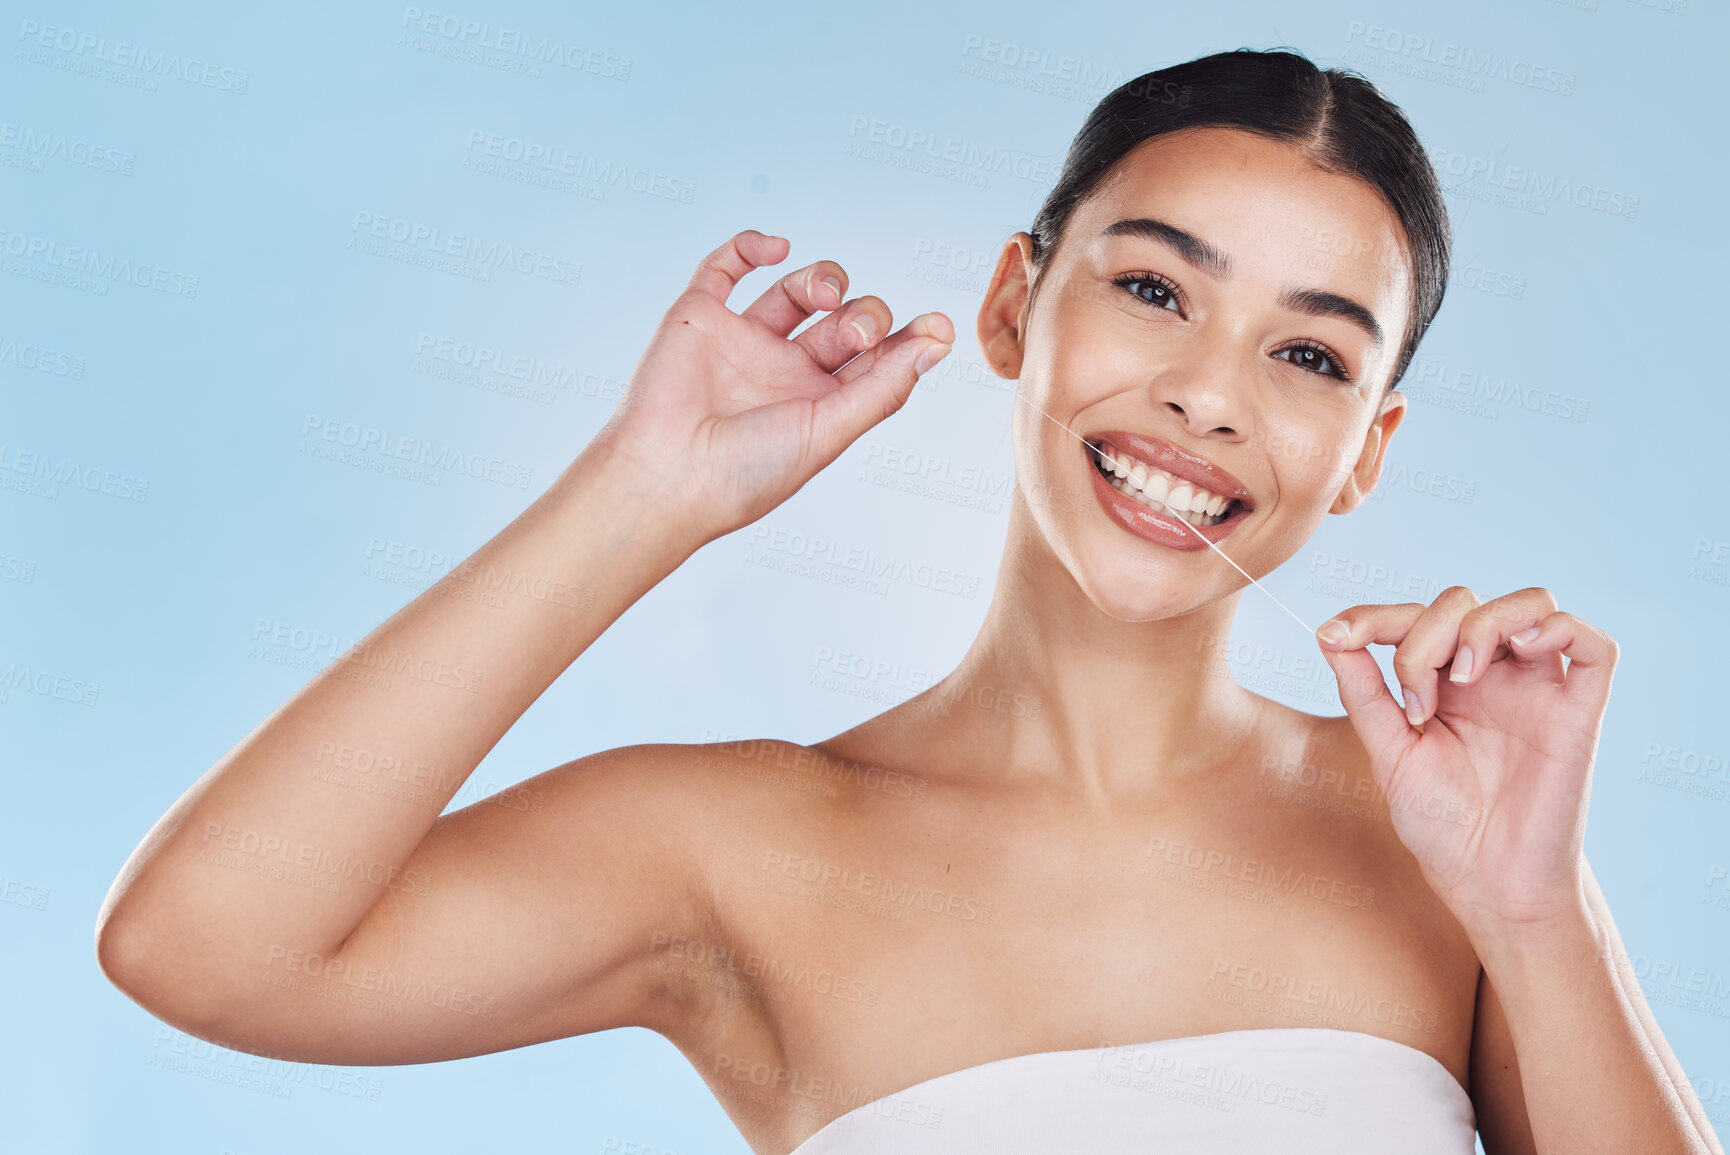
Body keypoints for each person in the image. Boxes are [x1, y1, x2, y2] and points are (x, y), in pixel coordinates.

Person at [95, 48, 1722, 1155]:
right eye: (1152, 288)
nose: (1207, 397)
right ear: (1015, 305)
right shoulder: (739, 848)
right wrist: (640, 497)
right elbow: (209, 950)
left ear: (1365, 450)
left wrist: (1533, 909)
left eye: (1305, 354)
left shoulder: (1434, 840)